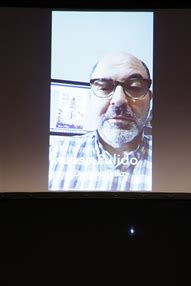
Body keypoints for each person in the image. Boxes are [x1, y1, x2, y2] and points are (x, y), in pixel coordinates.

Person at [49, 52, 153, 191]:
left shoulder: (173, 160)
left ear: (149, 99)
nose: (119, 100)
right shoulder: (56, 155)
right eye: (104, 88)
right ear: (91, 98)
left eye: (134, 87)